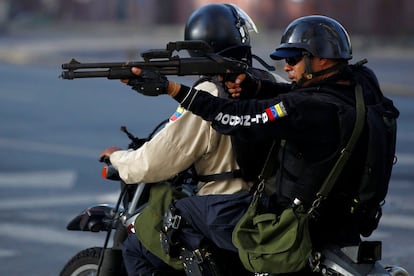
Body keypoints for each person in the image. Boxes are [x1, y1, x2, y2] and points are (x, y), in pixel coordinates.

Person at [126, 15, 389, 271]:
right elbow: (300, 96)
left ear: (322, 59)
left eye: (294, 59)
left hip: (291, 223)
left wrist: (172, 89)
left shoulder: (305, 108)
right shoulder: (363, 86)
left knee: (180, 213)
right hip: (343, 219)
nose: (286, 67)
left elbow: (233, 118)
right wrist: (256, 87)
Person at [100, 4, 282, 275]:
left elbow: (155, 161)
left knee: (138, 245)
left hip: (224, 207)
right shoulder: (272, 81)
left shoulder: (209, 91)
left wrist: (118, 158)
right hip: (271, 206)